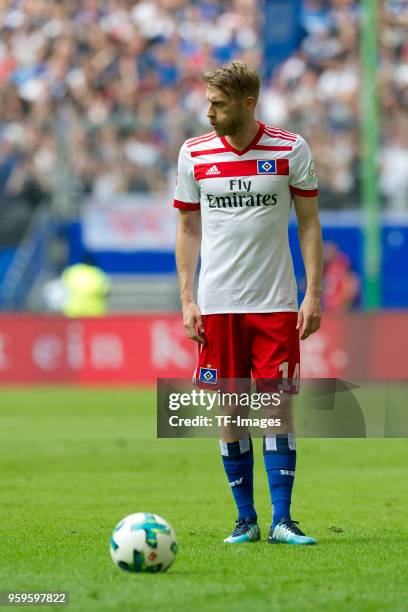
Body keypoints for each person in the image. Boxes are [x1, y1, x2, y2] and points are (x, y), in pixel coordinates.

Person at [174, 61, 323, 545]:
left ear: (247, 103)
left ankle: (282, 519)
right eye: (208, 102)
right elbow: (188, 228)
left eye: (218, 104)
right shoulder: (193, 154)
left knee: (276, 409)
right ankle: (246, 519)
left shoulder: (289, 149)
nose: (209, 112)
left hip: (275, 302)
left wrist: (313, 292)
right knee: (230, 413)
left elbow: (309, 223)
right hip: (217, 305)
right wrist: (187, 297)